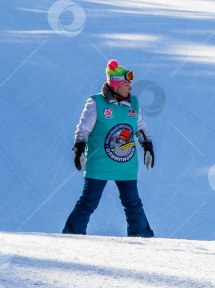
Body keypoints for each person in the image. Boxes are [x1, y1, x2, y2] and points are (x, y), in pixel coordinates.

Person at [63, 60, 155, 238]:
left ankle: (141, 235)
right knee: (89, 201)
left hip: (126, 165)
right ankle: (73, 232)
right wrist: (79, 149)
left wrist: (148, 146)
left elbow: (140, 127)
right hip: (100, 164)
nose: (130, 88)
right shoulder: (96, 103)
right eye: (127, 84)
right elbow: (83, 129)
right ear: (117, 85)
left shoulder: (133, 104)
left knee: (133, 203)